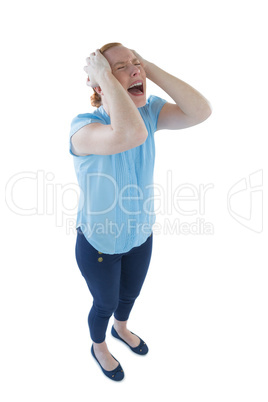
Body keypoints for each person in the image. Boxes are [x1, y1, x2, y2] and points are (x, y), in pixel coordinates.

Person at [69, 42, 212, 381]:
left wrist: (144, 64)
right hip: (99, 246)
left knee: (130, 295)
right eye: (121, 67)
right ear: (100, 82)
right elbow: (129, 134)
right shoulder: (83, 127)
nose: (135, 70)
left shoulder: (149, 112)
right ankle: (99, 346)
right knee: (104, 303)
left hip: (141, 235)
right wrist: (101, 75)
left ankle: (122, 328)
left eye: (136, 63)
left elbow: (200, 111)